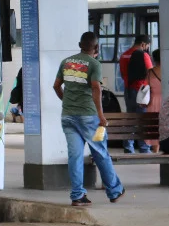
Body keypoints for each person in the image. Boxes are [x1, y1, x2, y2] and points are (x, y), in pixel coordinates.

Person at [54, 31, 125, 206]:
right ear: (96, 48)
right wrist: (101, 115)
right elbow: (96, 88)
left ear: (80, 45)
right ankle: (114, 191)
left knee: (75, 156)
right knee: (101, 153)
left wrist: (67, 101)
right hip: (88, 116)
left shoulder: (67, 62)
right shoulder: (94, 64)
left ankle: (78, 195)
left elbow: (56, 86)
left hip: (68, 117)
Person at [118, 35, 154, 154]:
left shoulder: (124, 55)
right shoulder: (144, 55)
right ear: (143, 44)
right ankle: (144, 148)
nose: (147, 48)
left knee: (131, 118)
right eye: (147, 46)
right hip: (141, 91)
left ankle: (128, 147)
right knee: (143, 119)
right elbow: (150, 74)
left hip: (128, 90)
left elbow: (123, 74)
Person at [147, 48, 163, 153]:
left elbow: (146, 87)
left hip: (153, 102)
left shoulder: (150, 72)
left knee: (154, 128)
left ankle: (155, 151)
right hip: (165, 101)